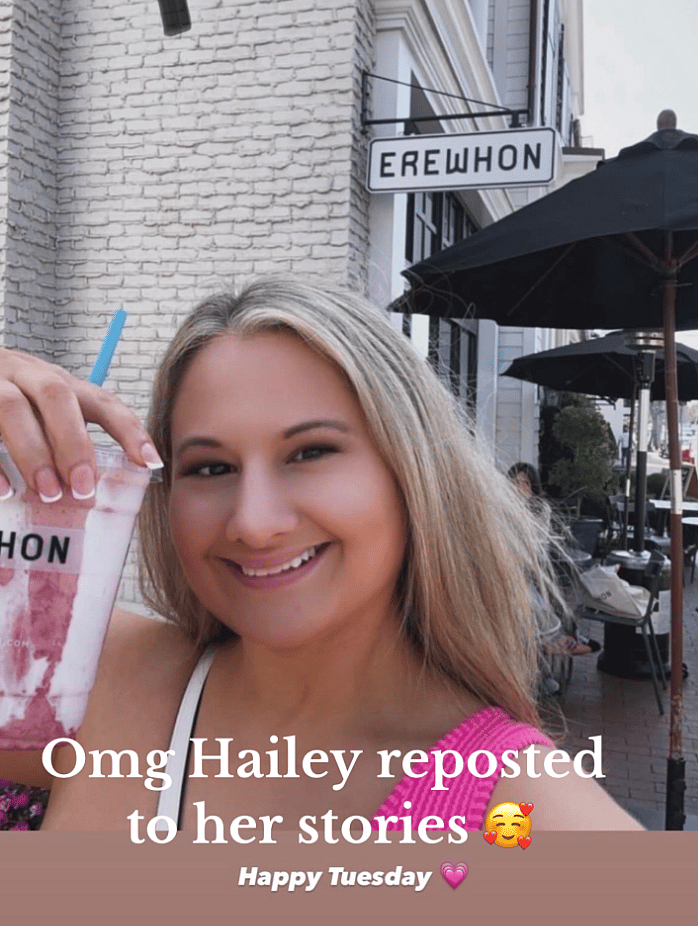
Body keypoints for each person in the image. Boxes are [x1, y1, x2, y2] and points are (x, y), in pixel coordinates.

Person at [0, 277, 640, 831]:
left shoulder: (521, 809)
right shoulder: (87, 678)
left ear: (412, 471)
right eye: (210, 467)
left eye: (310, 452)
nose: (254, 524)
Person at [507, 463, 601, 659]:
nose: (519, 488)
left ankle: (557, 642)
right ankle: (555, 643)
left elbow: (534, 544)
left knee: (540, 596)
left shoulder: (540, 509)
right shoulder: (501, 507)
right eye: (515, 483)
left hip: (531, 568)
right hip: (510, 570)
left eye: (525, 483)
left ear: (533, 486)